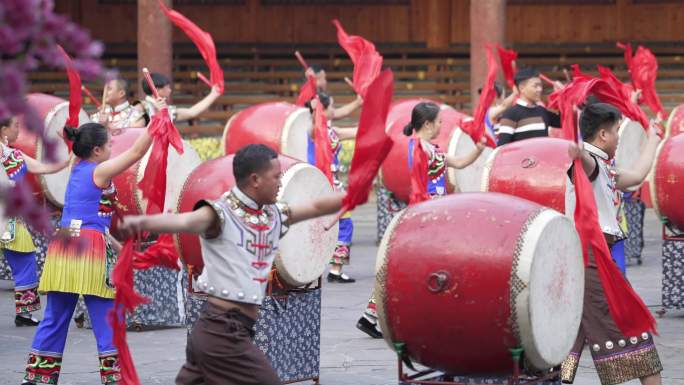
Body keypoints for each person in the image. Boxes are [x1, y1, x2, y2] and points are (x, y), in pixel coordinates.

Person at [116, 144, 345, 385]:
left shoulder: (273, 215)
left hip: (222, 329)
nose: (280, 182)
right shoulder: (220, 215)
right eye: (276, 176)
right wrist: (140, 222)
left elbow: (316, 207)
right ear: (255, 179)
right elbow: (185, 222)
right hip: (222, 331)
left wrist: (353, 195)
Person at [23, 119, 156, 385]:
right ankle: (114, 379)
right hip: (89, 247)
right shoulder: (100, 171)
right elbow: (137, 153)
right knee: (107, 316)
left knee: (55, 316)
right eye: (108, 144)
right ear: (96, 150)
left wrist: (122, 250)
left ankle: (37, 378)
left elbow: (93, 221)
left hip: (66, 243)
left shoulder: (78, 166)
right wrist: (158, 121)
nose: (111, 148)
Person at [357, 101, 486, 338]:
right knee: (409, 268)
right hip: (425, 216)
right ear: (427, 124)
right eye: (438, 122)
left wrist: (479, 149)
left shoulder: (430, 148)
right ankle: (384, 315)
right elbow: (419, 184)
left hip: (433, 214)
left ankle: (376, 314)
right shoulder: (418, 148)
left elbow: (459, 162)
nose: (440, 126)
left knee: (407, 267)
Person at [563, 102, 663, 385]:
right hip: (591, 262)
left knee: (565, 345)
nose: (620, 138)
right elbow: (585, 163)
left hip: (593, 260)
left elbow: (638, 175)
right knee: (632, 327)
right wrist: (579, 152)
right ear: (604, 135)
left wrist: (654, 137)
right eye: (617, 131)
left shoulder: (606, 168)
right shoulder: (589, 164)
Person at [0, 117, 70, 327]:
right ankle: (24, 313)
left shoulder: (16, 154)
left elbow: (44, 168)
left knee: (25, 261)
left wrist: (69, 157)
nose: (18, 130)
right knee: (24, 262)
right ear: (4, 129)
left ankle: (25, 312)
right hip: (9, 218)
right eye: (16, 127)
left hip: (11, 218)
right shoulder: (12, 155)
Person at [306, 92, 358, 283]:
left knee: (340, 225)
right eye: (332, 106)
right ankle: (332, 268)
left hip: (333, 186)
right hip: (322, 185)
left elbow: (357, 131)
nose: (334, 110)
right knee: (340, 225)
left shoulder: (332, 131)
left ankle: (333, 268)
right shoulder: (314, 132)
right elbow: (314, 125)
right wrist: (314, 110)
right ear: (323, 110)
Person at [497, 68, 562, 145]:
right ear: (522, 88)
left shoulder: (542, 111)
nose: (539, 89)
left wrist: (562, 95)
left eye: (540, 85)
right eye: (535, 86)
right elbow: (502, 147)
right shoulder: (510, 114)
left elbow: (564, 122)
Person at [141, 72, 221, 122]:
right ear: (157, 90)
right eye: (167, 87)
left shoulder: (166, 110)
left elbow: (191, 112)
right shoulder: (141, 107)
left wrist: (213, 95)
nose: (170, 90)